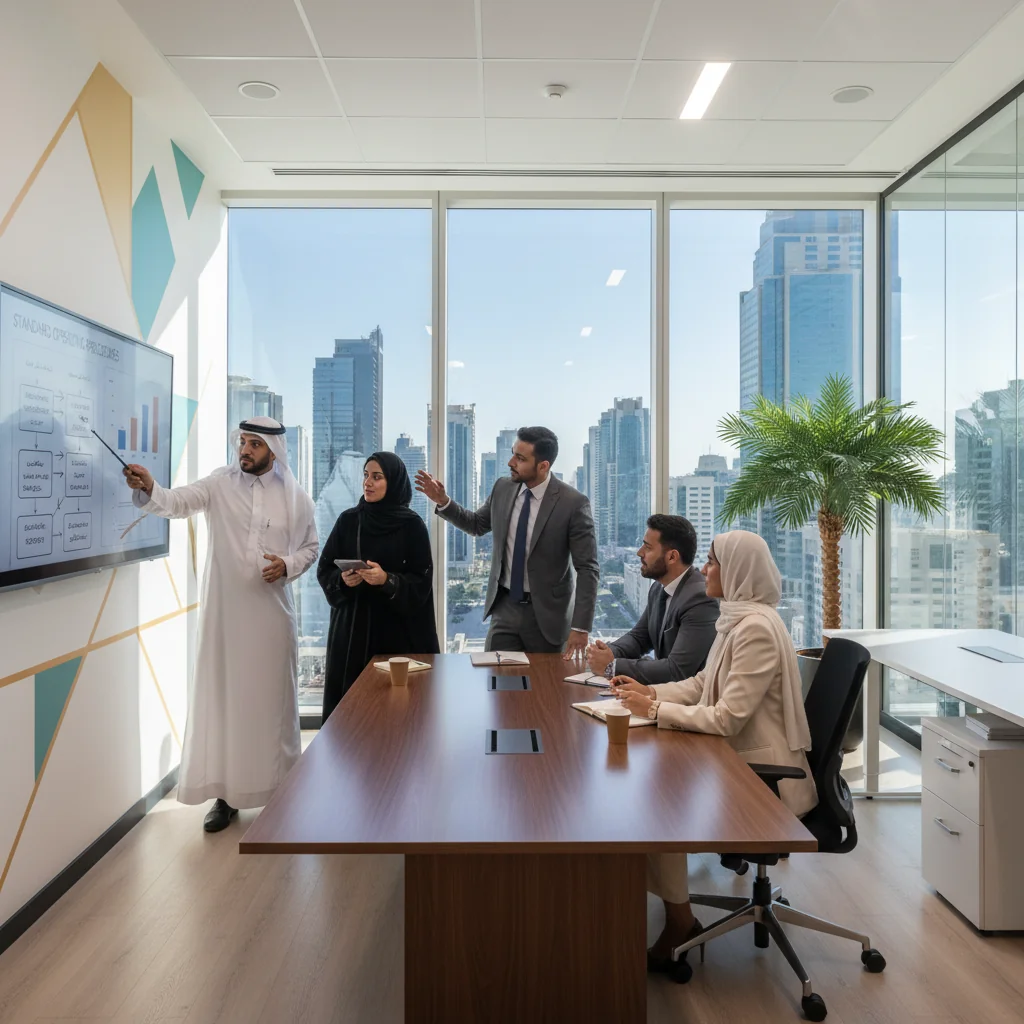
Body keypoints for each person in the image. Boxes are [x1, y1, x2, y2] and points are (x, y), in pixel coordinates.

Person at [609, 530, 817, 979]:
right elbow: (703, 685)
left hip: (763, 782)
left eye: (712, 562)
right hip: (735, 764)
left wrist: (655, 710)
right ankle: (670, 909)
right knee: (653, 790)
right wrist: (651, 692)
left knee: (657, 806)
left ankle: (679, 922)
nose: (704, 570)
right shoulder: (737, 618)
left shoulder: (756, 630)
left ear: (737, 570)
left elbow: (727, 718)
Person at [123, 417, 318, 834]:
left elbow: (310, 547)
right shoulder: (219, 484)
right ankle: (226, 798)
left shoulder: (296, 497)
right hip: (225, 620)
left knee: (271, 707)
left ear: (273, 451)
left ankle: (282, 793)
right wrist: (150, 487)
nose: (244, 450)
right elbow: (176, 503)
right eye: (242, 442)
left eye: (254, 444)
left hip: (271, 618)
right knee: (227, 705)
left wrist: (287, 565)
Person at [415, 426, 598, 658]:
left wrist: (580, 627)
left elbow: (587, 568)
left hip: (548, 616)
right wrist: (443, 501)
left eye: (520, 458)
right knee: (495, 676)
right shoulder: (503, 488)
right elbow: (476, 524)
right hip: (504, 608)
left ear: (543, 466)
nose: (511, 462)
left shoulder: (573, 503)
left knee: (545, 681)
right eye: (513, 454)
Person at [317, 452, 439, 724]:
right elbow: (325, 570)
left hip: (398, 637)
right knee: (351, 724)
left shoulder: (412, 525)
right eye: (365, 475)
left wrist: (387, 580)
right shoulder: (348, 521)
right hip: (353, 636)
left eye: (377, 477)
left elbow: (421, 582)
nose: (367, 483)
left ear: (393, 482)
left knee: (398, 721)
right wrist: (343, 581)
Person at [586, 514, 718, 684]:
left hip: (687, 698)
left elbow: (677, 670)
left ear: (672, 557)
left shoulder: (700, 600)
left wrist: (612, 666)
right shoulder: (658, 588)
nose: (639, 552)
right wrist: (608, 652)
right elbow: (639, 637)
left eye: (647, 548)